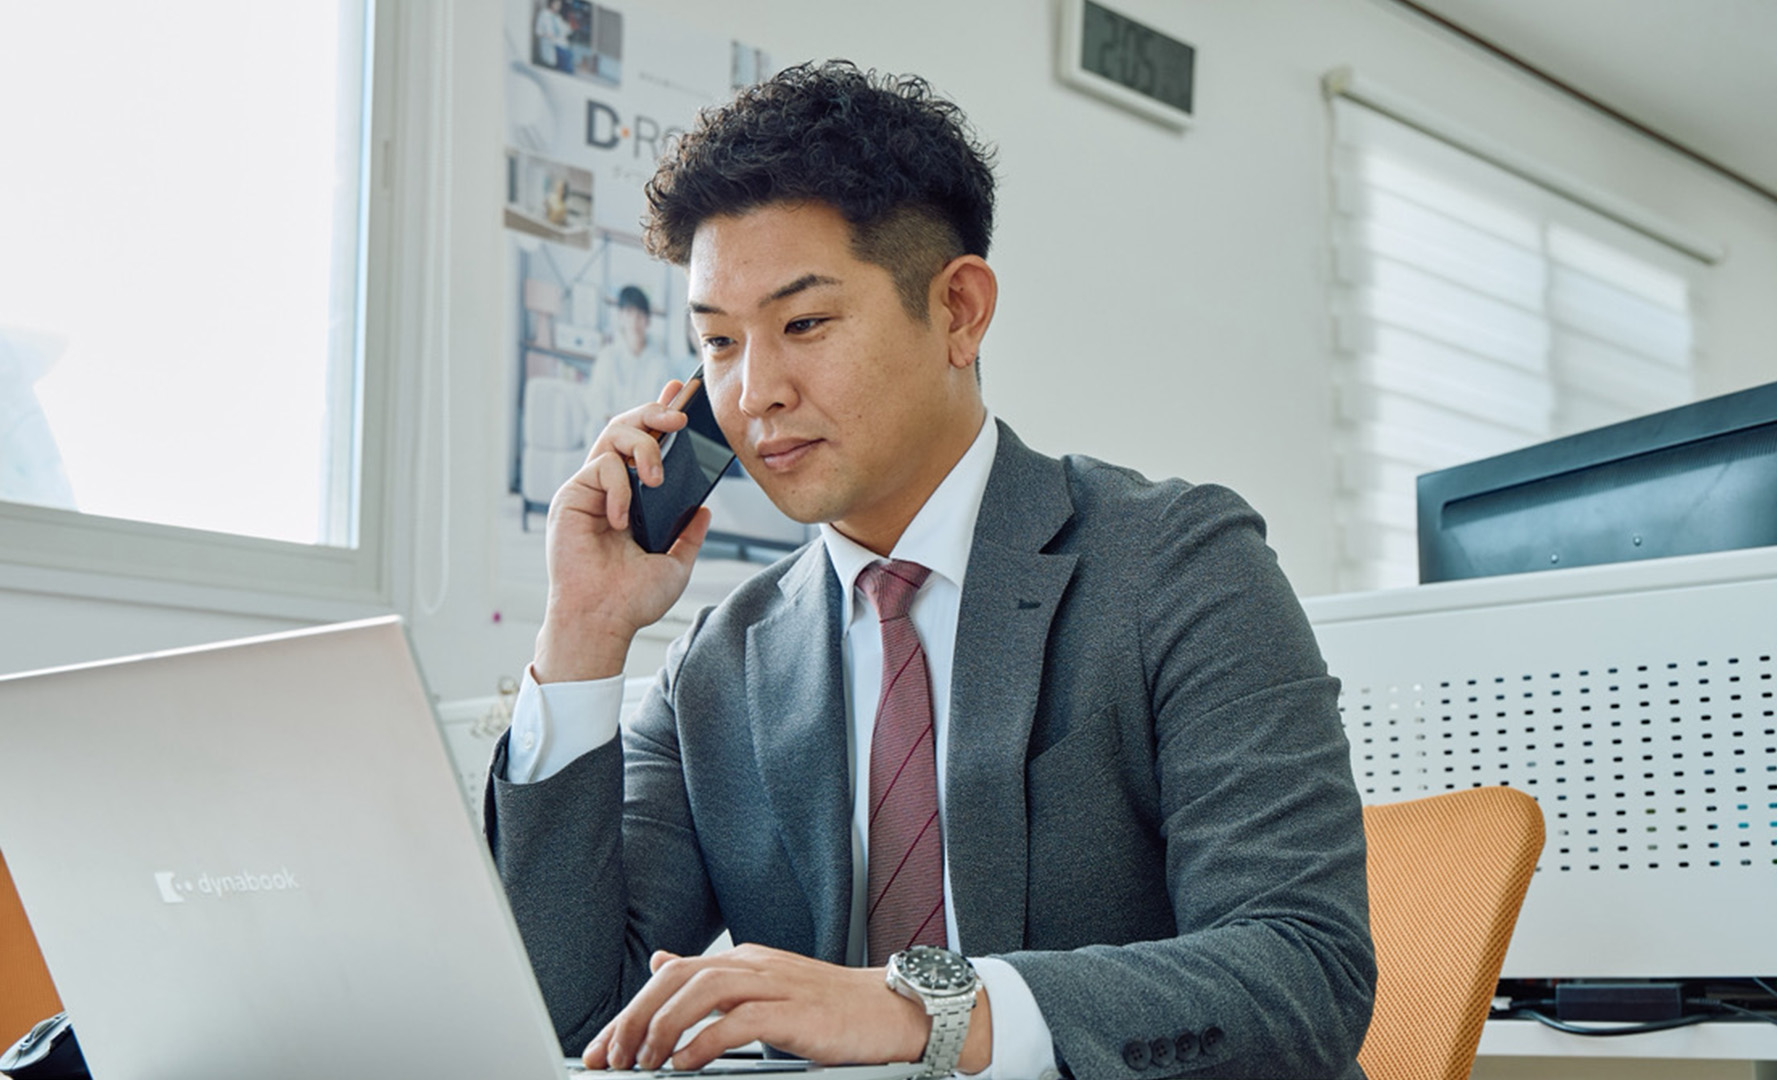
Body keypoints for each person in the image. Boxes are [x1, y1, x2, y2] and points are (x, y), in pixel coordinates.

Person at [488, 61, 1374, 1080]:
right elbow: (577, 1018)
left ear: (958, 311)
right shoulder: (723, 665)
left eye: (804, 324)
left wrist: (925, 1012)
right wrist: (586, 634)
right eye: (719, 343)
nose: (755, 391)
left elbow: (1304, 975)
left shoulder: (1177, 565)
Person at [584, 285, 686, 430]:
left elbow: (667, 406)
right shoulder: (608, 356)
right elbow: (595, 400)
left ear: (648, 320)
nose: (635, 320)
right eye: (629, 312)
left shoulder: (661, 364)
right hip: (610, 430)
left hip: (645, 432)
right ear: (620, 316)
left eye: (640, 314)